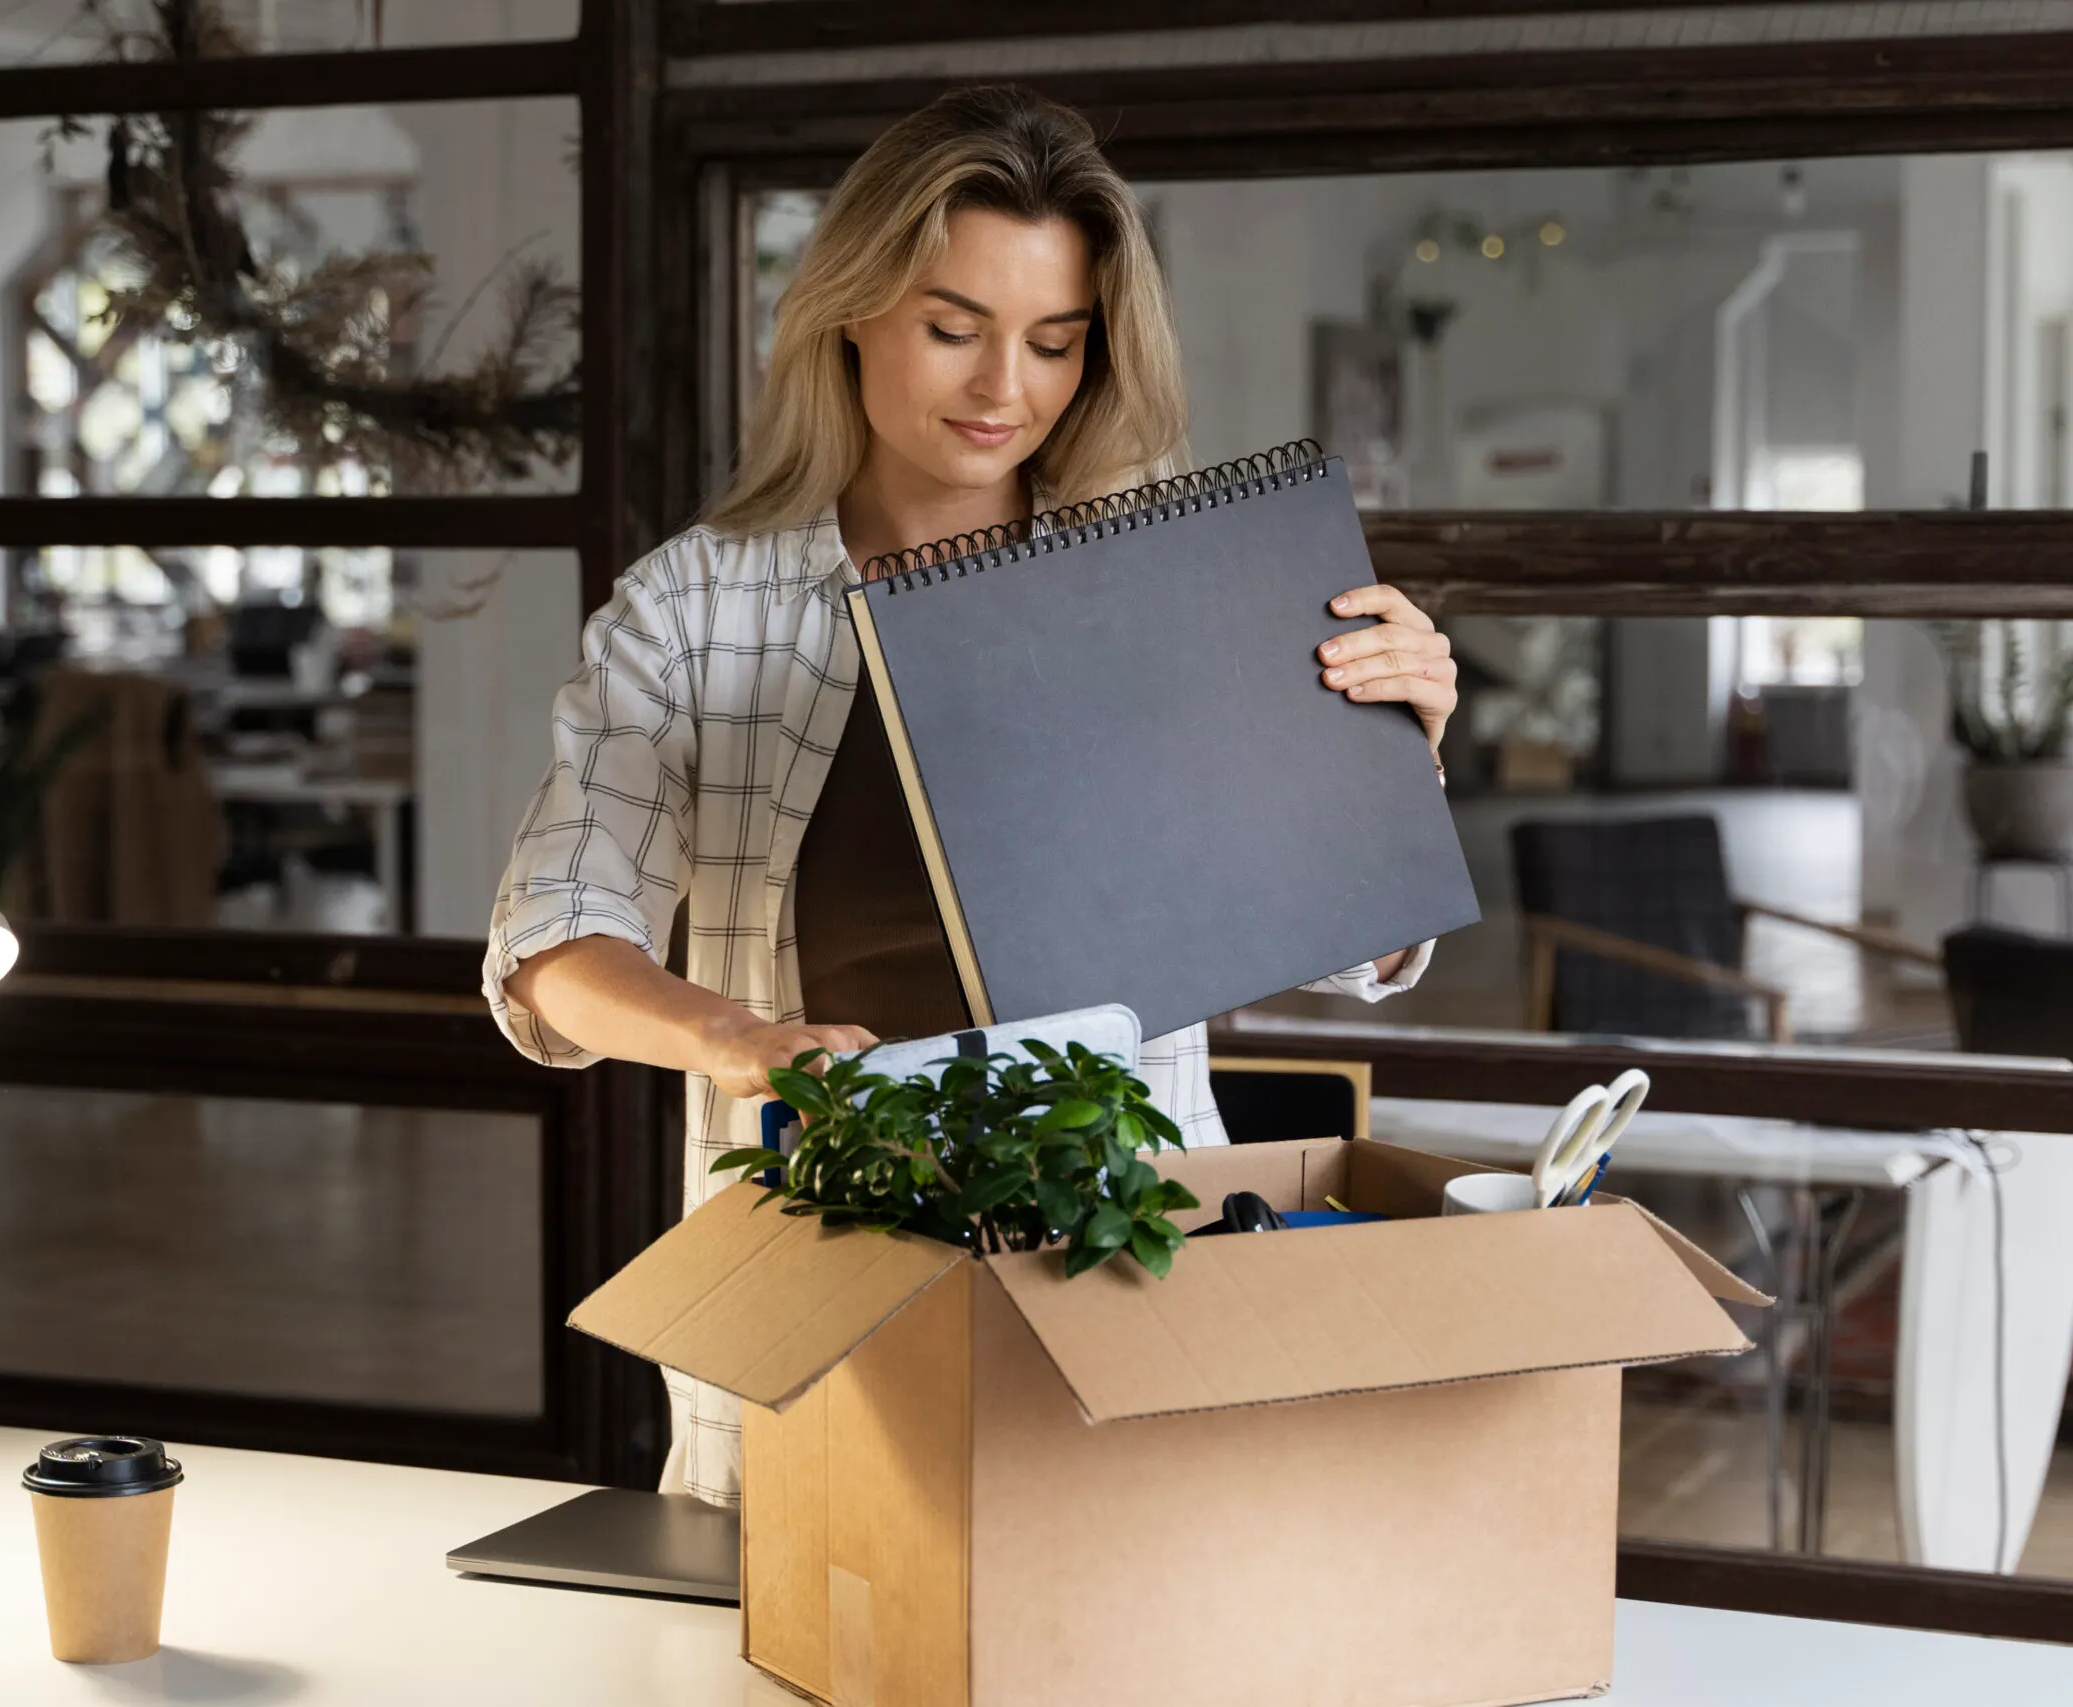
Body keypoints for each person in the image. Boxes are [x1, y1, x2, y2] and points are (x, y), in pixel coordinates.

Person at [483, 85, 1458, 1505]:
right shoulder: (698, 607)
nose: (1007, 387)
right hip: (828, 1262)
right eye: (954, 329)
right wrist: (744, 1040)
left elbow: (1359, 945)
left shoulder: (1172, 588)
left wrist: (1395, 761)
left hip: (1138, 1259)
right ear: (850, 312)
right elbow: (553, 948)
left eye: (1056, 342)